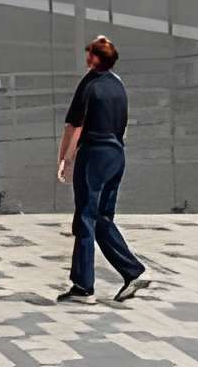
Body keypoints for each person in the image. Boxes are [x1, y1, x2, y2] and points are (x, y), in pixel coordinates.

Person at [55, 35, 148, 304]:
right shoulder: (119, 86)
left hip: (93, 155)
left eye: (89, 54)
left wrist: (65, 158)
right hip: (116, 155)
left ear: (94, 59)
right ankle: (133, 271)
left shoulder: (90, 84)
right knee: (102, 219)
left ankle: (83, 287)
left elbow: (74, 125)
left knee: (85, 218)